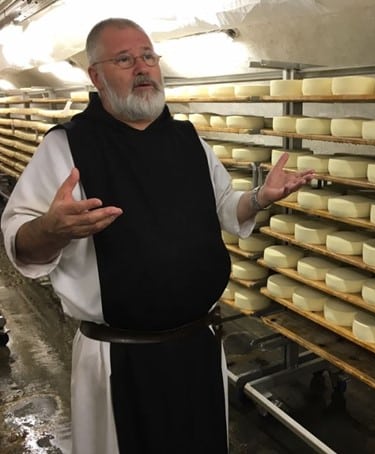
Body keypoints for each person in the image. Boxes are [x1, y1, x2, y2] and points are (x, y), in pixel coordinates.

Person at [1, 17, 314, 454]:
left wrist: (261, 197)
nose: (142, 67)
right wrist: (50, 230)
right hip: (120, 359)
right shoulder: (67, 146)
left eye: (148, 56)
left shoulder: (188, 140)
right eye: (124, 59)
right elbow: (19, 239)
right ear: (95, 76)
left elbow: (227, 207)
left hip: (199, 347)